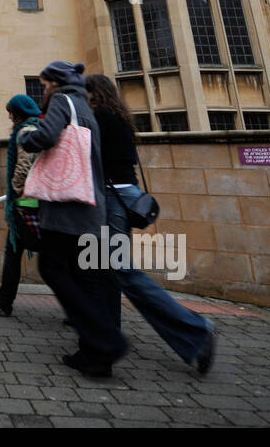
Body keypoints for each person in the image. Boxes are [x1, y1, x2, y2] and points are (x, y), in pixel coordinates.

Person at [86, 74, 216, 374]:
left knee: (121, 271)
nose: (85, 98)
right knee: (105, 270)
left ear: (95, 93)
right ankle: (105, 338)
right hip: (125, 195)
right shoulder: (119, 115)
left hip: (113, 197)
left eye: (87, 92)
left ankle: (197, 329)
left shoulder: (102, 116)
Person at [18, 60, 128, 377]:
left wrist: (28, 137)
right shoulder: (84, 106)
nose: (43, 90)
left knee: (52, 268)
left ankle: (107, 341)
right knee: (84, 278)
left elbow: (48, 136)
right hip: (89, 206)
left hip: (68, 208)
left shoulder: (62, 101)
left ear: (55, 83)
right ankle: (94, 353)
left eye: (44, 84)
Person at [0, 94, 42, 317]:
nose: (8, 116)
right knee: (19, 254)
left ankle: (4, 303)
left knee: (17, 255)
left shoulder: (26, 132)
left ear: (18, 112)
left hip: (26, 203)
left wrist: (15, 189)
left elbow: (25, 164)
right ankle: (4, 301)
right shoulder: (36, 128)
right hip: (32, 203)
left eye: (11, 111)